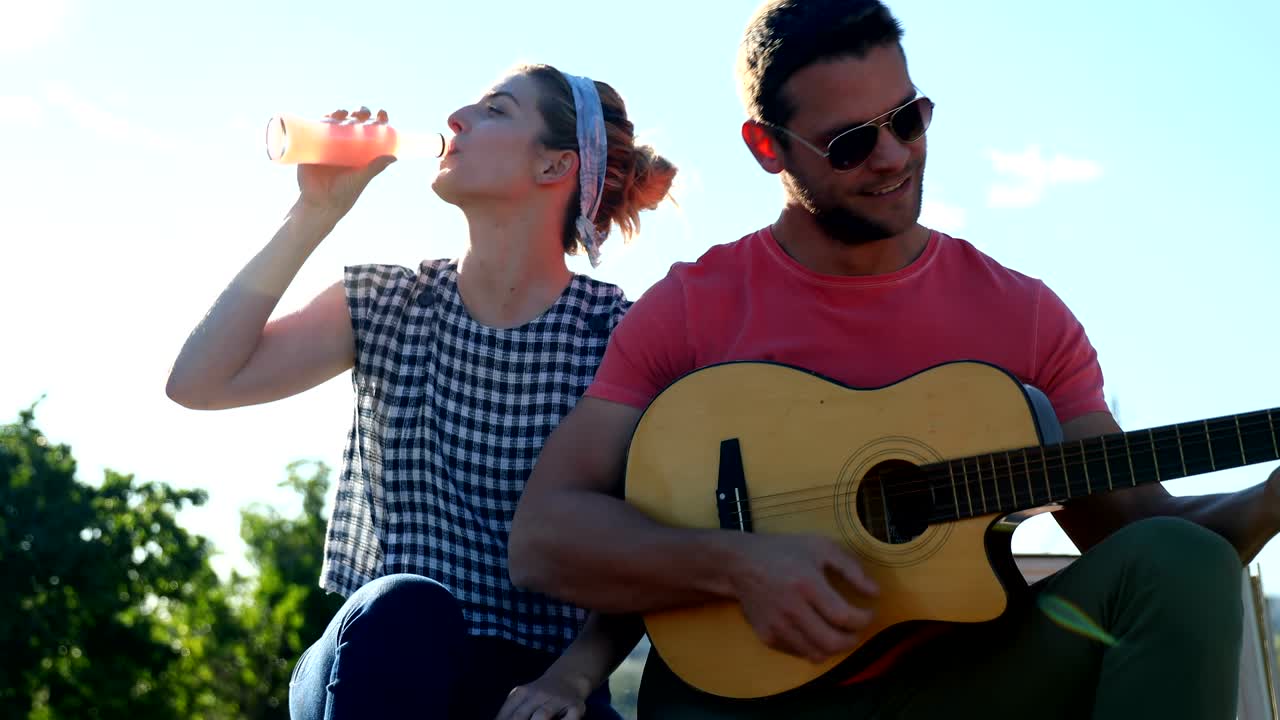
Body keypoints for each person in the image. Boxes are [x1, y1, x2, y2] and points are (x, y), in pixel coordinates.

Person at [506, 2, 1280, 718]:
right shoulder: (692, 306)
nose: (892, 156)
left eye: (908, 119)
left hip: (969, 684)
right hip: (744, 697)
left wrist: (1273, 497)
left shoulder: (1025, 318)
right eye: (851, 142)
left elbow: (1150, 536)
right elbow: (545, 537)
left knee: (1179, 561)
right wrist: (736, 564)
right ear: (767, 146)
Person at [164, 62, 676, 720]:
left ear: (554, 167)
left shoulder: (619, 336)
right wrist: (314, 212)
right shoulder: (387, 303)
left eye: (496, 110)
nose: (457, 116)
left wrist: (571, 681)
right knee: (408, 607)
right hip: (378, 658)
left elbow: (650, 546)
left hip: (536, 683)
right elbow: (199, 383)